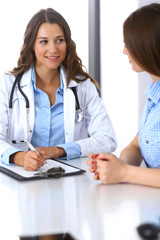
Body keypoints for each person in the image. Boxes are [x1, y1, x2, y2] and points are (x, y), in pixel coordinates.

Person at [0, 8, 117, 171]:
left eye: (59, 40)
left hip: (70, 178)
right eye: (43, 41)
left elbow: (107, 139)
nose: (53, 49)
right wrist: (19, 157)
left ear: (67, 43)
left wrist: (60, 150)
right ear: (32, 45)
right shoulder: (8, 84)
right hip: (23, 179)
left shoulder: (82, 86)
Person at [87, 3, 160, 188]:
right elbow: (136, 146)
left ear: (146, 45)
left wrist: (124, 172)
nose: (124, 51)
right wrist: (115, 166)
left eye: (128, 44)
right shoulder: (154, 95)